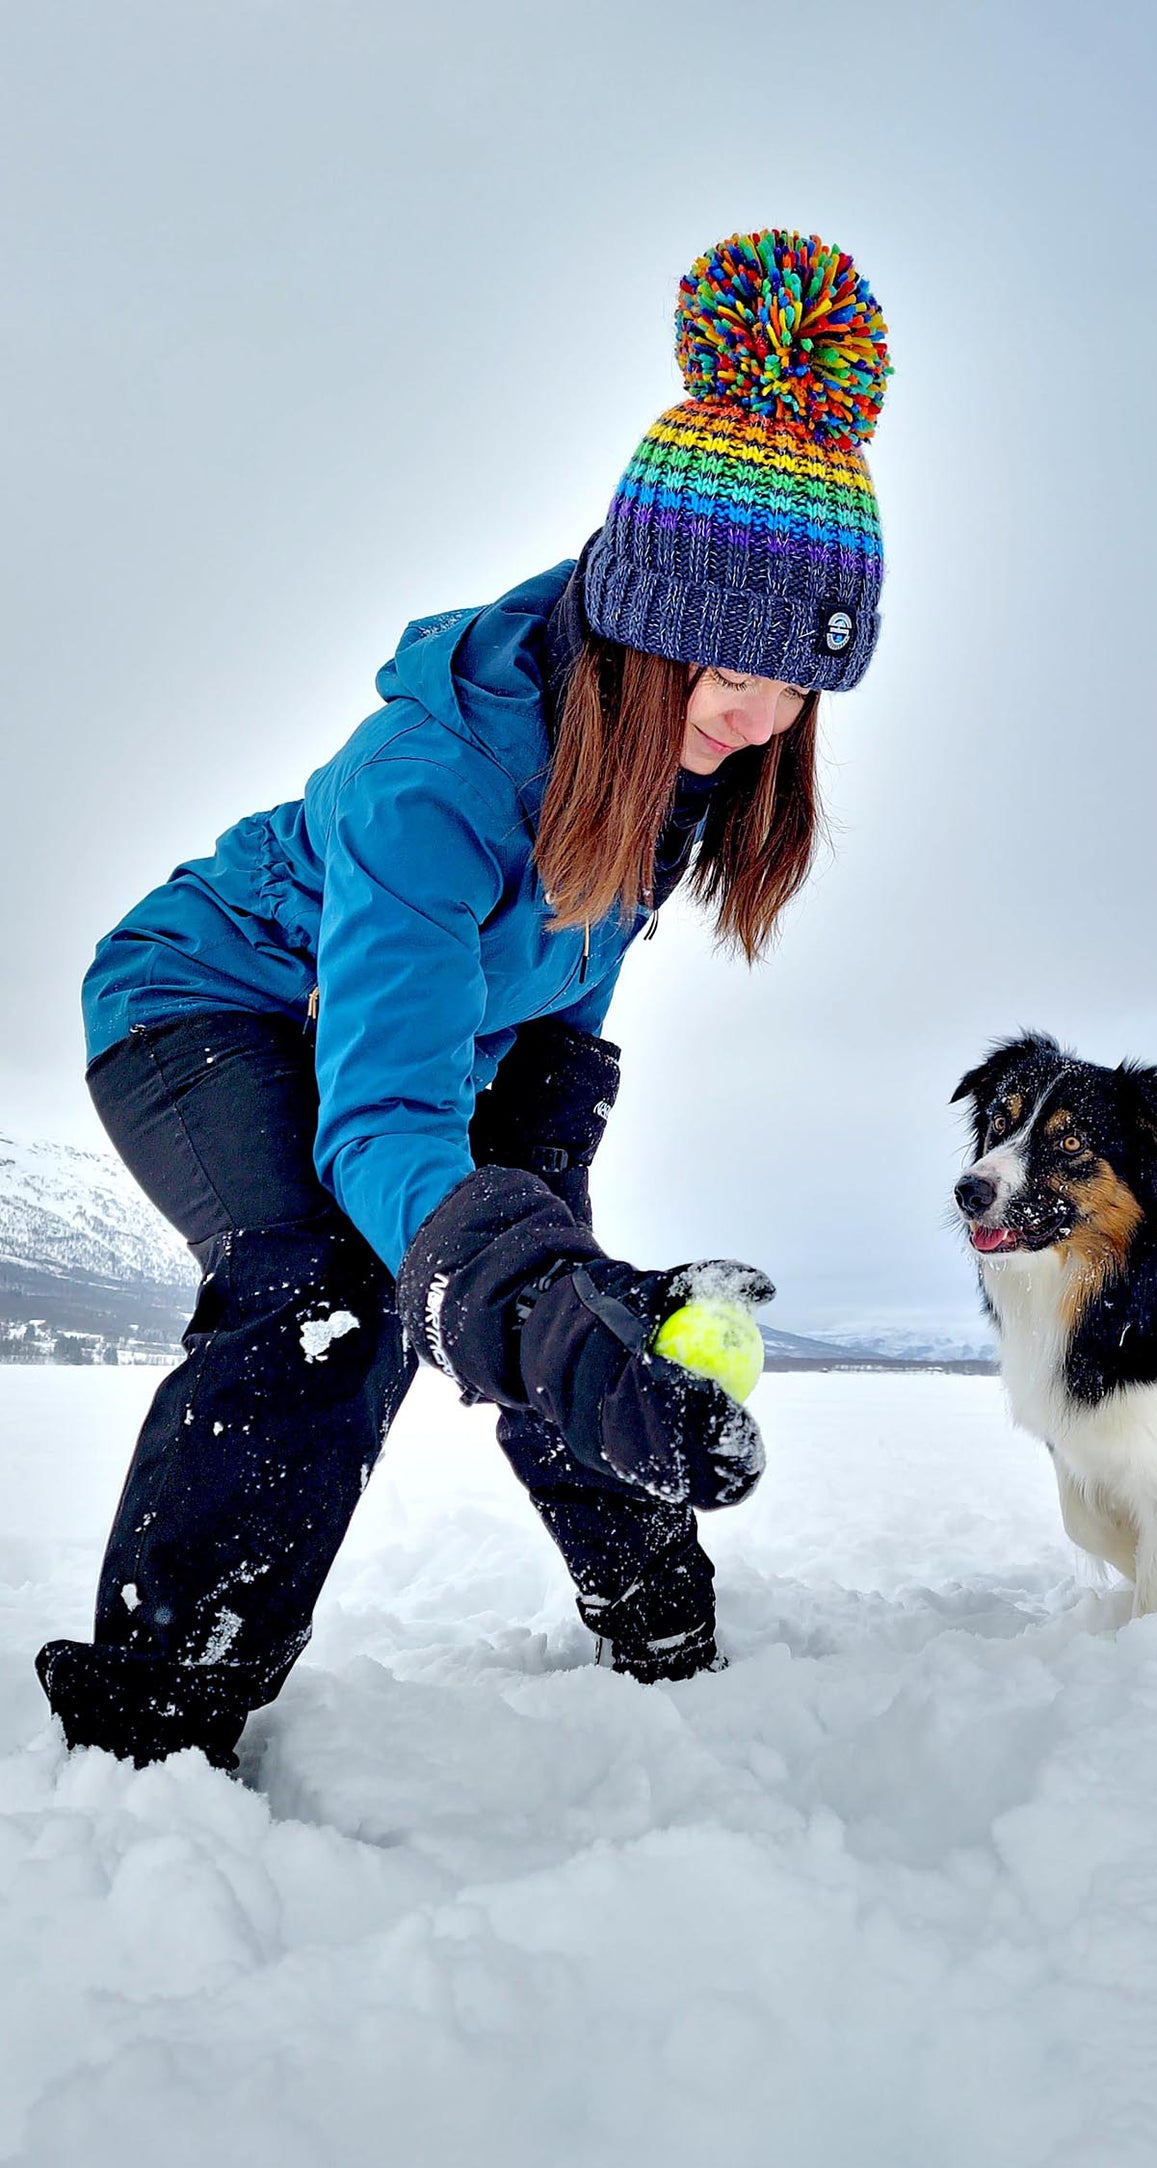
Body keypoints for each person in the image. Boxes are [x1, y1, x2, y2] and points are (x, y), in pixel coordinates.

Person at [36, 229, 892, 1769]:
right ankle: (158, 1720)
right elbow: (384, 1121)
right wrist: (513, 1292)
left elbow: (542, 1052)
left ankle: (653, 1610)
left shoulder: (670, 781)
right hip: (203, 1005)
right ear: (636, 615)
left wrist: (569, 1307)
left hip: (422, 1040)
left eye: (789, 683)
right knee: (327, 1288)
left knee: (534, 1272)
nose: (751, 715)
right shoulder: (435, 781)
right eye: (717, 666)